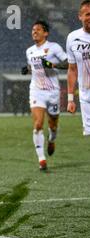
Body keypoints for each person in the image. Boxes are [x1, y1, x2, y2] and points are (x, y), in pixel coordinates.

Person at [21, 20, 68, 171]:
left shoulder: (54, 47)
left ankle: (52, 139)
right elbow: (34, 66)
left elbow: (69, 63)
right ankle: (42, 160)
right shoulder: (29, 51)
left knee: (53, 124)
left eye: (38, 30)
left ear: (46, 33)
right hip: (37, 91)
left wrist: (52, 65)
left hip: (53, 92)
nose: (34, 32)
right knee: (38, 124)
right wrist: (27, 69)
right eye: (33, 30)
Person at [67, 0, 90, 136]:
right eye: (87, 14)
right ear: (80, 16)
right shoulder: (72, 38)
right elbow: (72, 69)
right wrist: (70, 99)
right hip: (86, 97)